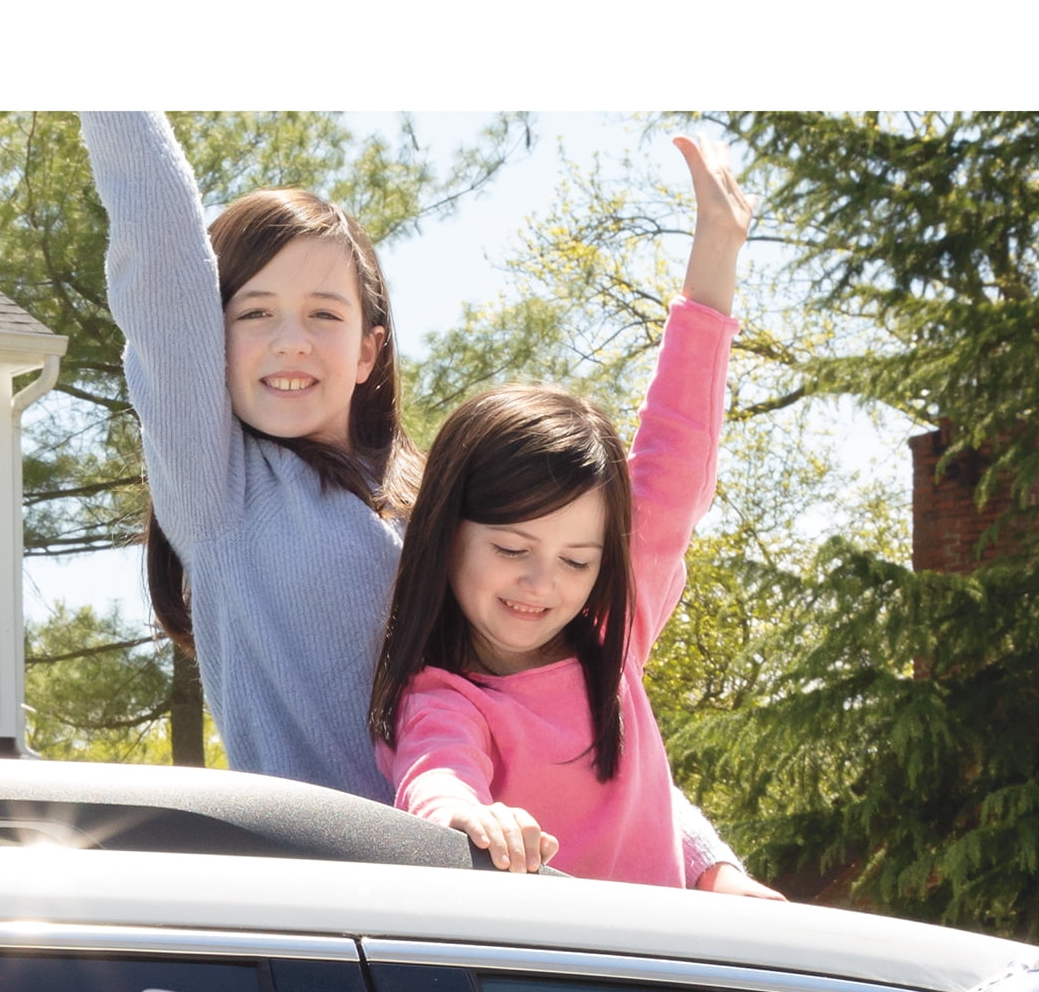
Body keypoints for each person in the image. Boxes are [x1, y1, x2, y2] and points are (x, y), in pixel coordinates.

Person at [80, 111, 768, 893]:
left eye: (324, 313)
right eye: (255, 311)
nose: (290, 339)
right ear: (211, 337)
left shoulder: (446, 499)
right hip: (353, 909)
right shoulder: (221, 489)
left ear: (371, 348)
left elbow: (578, 702)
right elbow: (161, 254)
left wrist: (706, 861)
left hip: (505, 907)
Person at [373, 137, 783, 896]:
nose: (541, 582)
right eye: (511, 546)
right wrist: (466, 815)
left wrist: (718, 249)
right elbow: (434, 776)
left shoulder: (609, 636)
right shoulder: (444, 697)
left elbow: (677, 460)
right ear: (446, 533)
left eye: (577, 560)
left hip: (670, 987)